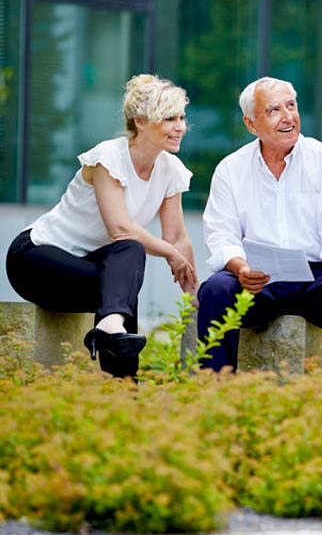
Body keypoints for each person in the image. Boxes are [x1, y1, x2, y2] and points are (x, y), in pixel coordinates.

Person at [6, 74, 198, 378]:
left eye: (182, 118)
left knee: (122, 278)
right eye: (169, 118)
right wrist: (170, 255)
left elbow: (175, 236)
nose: (180, 127)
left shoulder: (170, 169)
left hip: (87, 270)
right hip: (35, 259)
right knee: (124, 269)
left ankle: (119, 371)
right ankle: (123, 380)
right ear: (141, 121)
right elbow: (119, 229)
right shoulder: (108, 158)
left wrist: (192, 288)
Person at [196, 76, 322, 371]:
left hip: (314, 276)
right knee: (215, 290)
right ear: (251, 124)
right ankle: (214, 390)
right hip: (256, 277)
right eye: (274, 110)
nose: (288, 117)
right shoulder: (230, 169)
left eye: (291, 106)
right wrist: (240, 268)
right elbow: (220, 234)